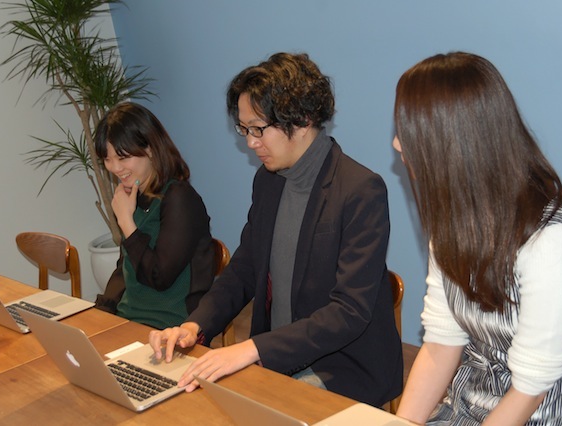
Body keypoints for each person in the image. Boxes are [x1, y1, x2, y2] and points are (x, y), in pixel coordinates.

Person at [149, 52, 403, 407]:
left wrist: (252, 349)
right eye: (244, 129)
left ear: (301, 119)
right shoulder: (268, 182)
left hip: (339, 366)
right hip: (277, 356)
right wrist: (195, 326)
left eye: (258, 129)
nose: (250, 142)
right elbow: (245, 268)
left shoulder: (360, 190)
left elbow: (349, 311)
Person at [392, 52, 562, 425]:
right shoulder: (453, 221)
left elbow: (530, 388)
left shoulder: (553, 240)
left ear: (453, 143)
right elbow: (442, 344)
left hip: (552, 411)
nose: (398, 144)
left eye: (409, 131)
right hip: (476, 398)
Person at [93, 102, 214, 330]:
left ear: (149, 148)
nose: (115, 168)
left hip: (170, 327)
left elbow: (159, 278)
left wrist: (127, 223)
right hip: (129, 320)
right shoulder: (133, 195)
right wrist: (102, 313)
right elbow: (125, 267)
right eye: (107, 159)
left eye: (122, 157)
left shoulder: (180, 198)